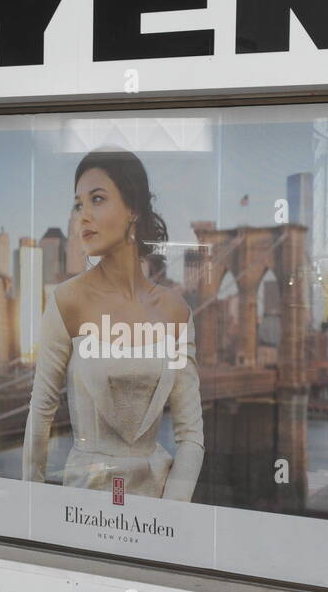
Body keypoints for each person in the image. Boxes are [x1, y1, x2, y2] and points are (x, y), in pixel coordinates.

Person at [22, 148, 204, 501]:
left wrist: (169, 516)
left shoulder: (176, 312)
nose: (83, 217)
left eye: (98, 200)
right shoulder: (66, 302)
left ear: (133, 208)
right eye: (78, 205)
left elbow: (191, 436)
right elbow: (41, 414)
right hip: (82, 507)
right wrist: (35, 513)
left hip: (157, 516)